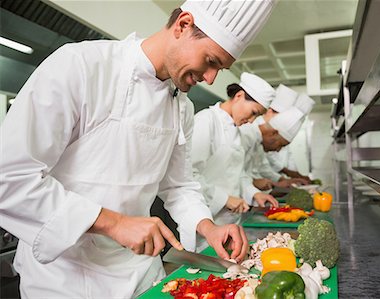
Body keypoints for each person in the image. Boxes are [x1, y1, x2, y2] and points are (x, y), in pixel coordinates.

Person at [0, 0, 276, 297]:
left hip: (143, 274)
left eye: (220, 68)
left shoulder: (182, 107)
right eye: (210, 61)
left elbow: (180, 184)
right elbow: (9, 178)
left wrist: (208, 227)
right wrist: (114, 223)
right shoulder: (80, 66)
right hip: (65, 278)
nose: (211, 78)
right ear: (183, 25)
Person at [192, 72, 279, 218]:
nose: (252, 121)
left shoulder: (236, 130)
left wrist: (254, 193)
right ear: (239, 96)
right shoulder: (206, 121)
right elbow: (189, 175)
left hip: (231, 219)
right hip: (206, 220)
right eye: (253, 112)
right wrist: (224, 199)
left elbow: (237, 173)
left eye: (257, 117)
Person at [239, 101, 307, 202]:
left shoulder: (259, 140)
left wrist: (280, 182)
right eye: (280, 145)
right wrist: (254, 183)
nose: (278, 150)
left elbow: (261, 168)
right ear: (273, 133)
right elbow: (232, 173)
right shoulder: (246, 135)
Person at [265, 89, 316, 182]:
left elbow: (289, 155)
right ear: (270, 111)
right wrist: (288, 175)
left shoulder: (279, 134)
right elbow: (264, 164)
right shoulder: (259, 131)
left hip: (274, 179)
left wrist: (296, 176)